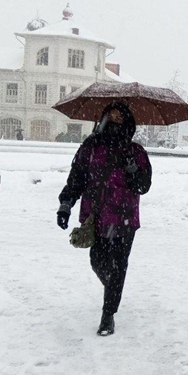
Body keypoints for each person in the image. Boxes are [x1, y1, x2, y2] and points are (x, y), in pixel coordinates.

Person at [56, 102, 152, 336]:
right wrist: (66, 204)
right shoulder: (90, 147)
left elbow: (144, 186)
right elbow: (76, 177)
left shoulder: (135, 152)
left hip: (124, 220)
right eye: (112, 115)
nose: (115, 120)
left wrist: (133, 172)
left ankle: (107, 315)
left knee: (118, 268)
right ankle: (112, 287)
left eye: (120, 117)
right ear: (104, 118)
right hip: (96, 217)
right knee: (97, 262)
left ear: (127, 122)